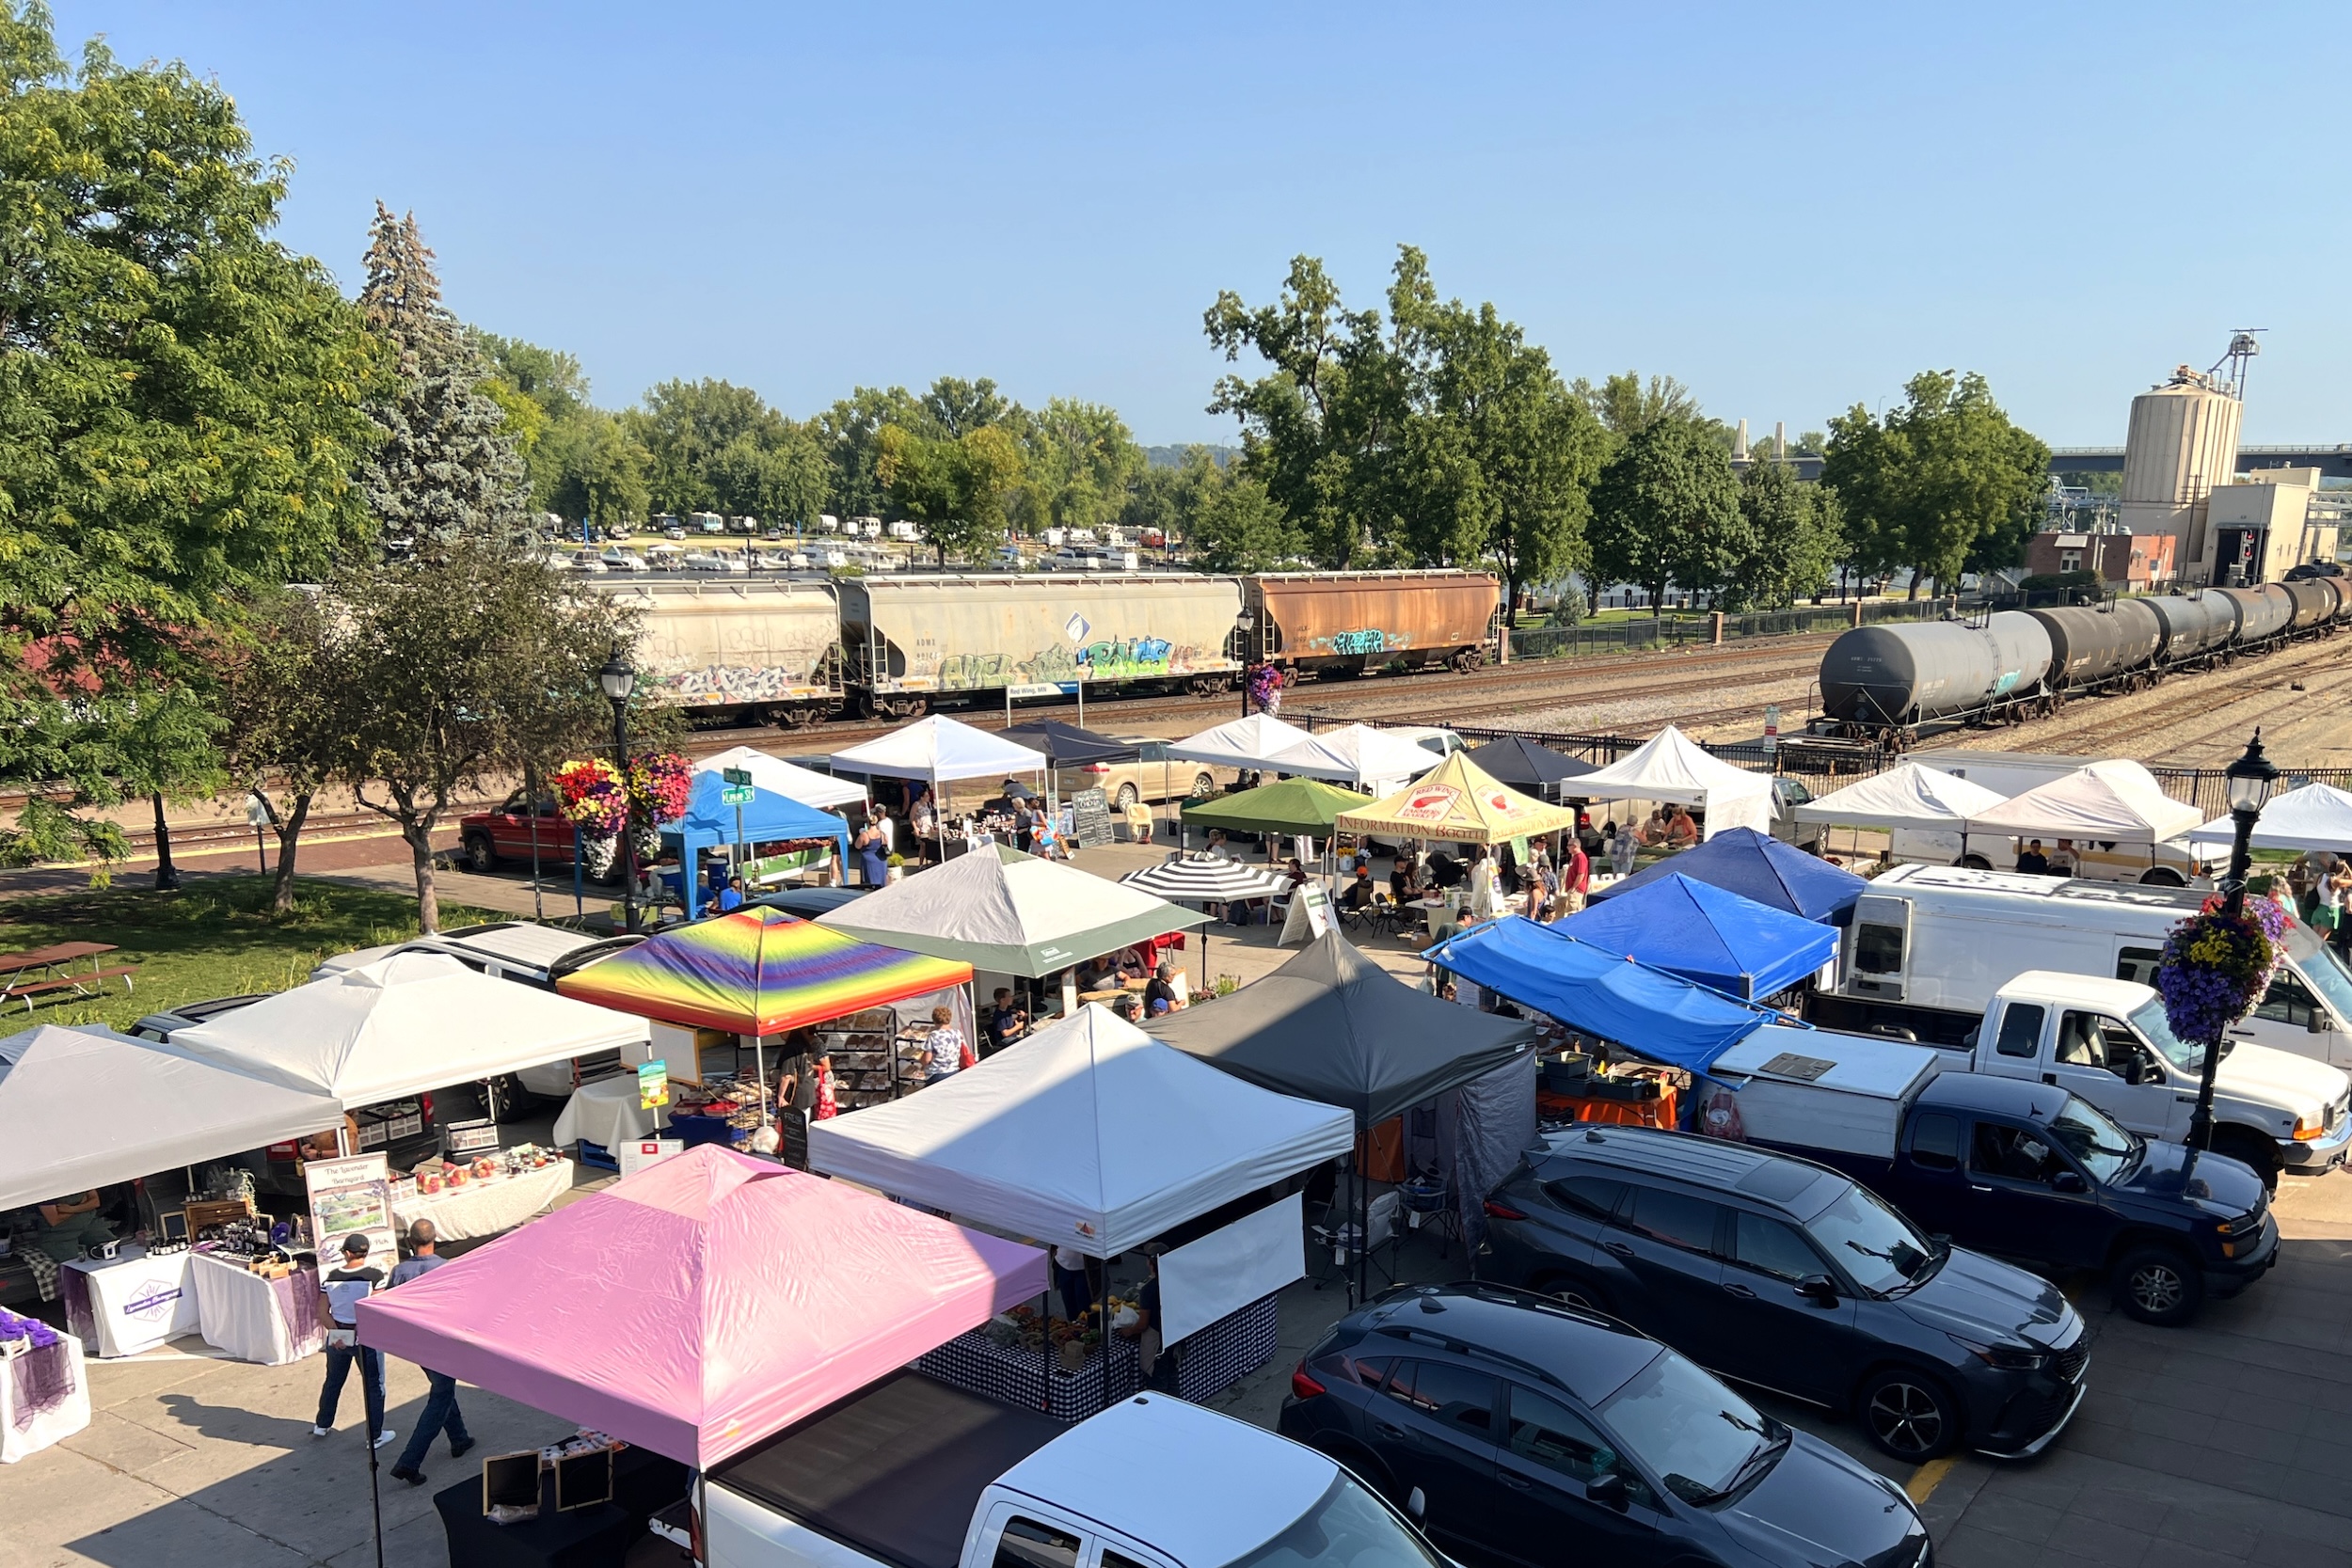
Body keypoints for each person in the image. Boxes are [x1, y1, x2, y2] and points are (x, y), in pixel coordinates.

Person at [387, 1222, 474, 1485]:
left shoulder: (400, 1271)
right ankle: (410, 1461)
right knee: (440, 1398)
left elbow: (389, 1306)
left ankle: (459, 1438)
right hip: (444, 1343)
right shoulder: (448, 1268)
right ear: (435, 1239)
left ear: (410, 1242)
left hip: (418, 1345)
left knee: (442, 1389)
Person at [313, 1234, 395, 1450]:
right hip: (366, 1337)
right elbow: (375, 1311)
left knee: (333, 1380)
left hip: (337, 1335)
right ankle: (375, 1436)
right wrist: (358, 1333)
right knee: (374, 1385)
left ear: (347, 1253)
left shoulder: (331, 1277)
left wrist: (338, 1334)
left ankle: (322, 1424)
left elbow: (322, 1311)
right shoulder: (375, 1276)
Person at [32, 1189, 114, 1261]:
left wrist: (71, 1209)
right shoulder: (45, 1188)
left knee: (112, 1247)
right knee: (71, 1263)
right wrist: (84, 1205)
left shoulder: (81, 1179)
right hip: (60, 1233)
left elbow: (95, 1202)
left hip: (88, 1222)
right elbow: (55, 1220)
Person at [922, 1004, 967, 1086]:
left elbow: (927, 1059)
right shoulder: (957, 1033)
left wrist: (921, 1062)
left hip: (936, 1074)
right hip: (954, 1071)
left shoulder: (933, 1035)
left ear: (935, 1020)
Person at [987, 988, 1028, 1053]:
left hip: (1012, 1036)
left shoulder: (1007, 1011)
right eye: (1009, 996)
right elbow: (1005, 1033)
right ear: (1003, 1000)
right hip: (1004, 1040)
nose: (1012, 998)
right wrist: (1018, 1027)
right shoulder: (999, 1015)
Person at [1560, 833, 1591, 915]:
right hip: (1572, 889)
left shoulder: (1581, 857)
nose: (1567, 847)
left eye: (1569, 845)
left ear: (1575, 846)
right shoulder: (1575, 857)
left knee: (1573, 911)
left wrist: (1574, 888)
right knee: (1569, 910)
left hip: (1576, 890)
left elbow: (1581, 874)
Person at [853, 817, 888, 887]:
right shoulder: (883, 834)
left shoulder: (864, 835)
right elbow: (886, 844)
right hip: (881, 860)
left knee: (869, 884)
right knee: (882, 883)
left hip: (869, 862)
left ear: (868, 823)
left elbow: (857, 846)